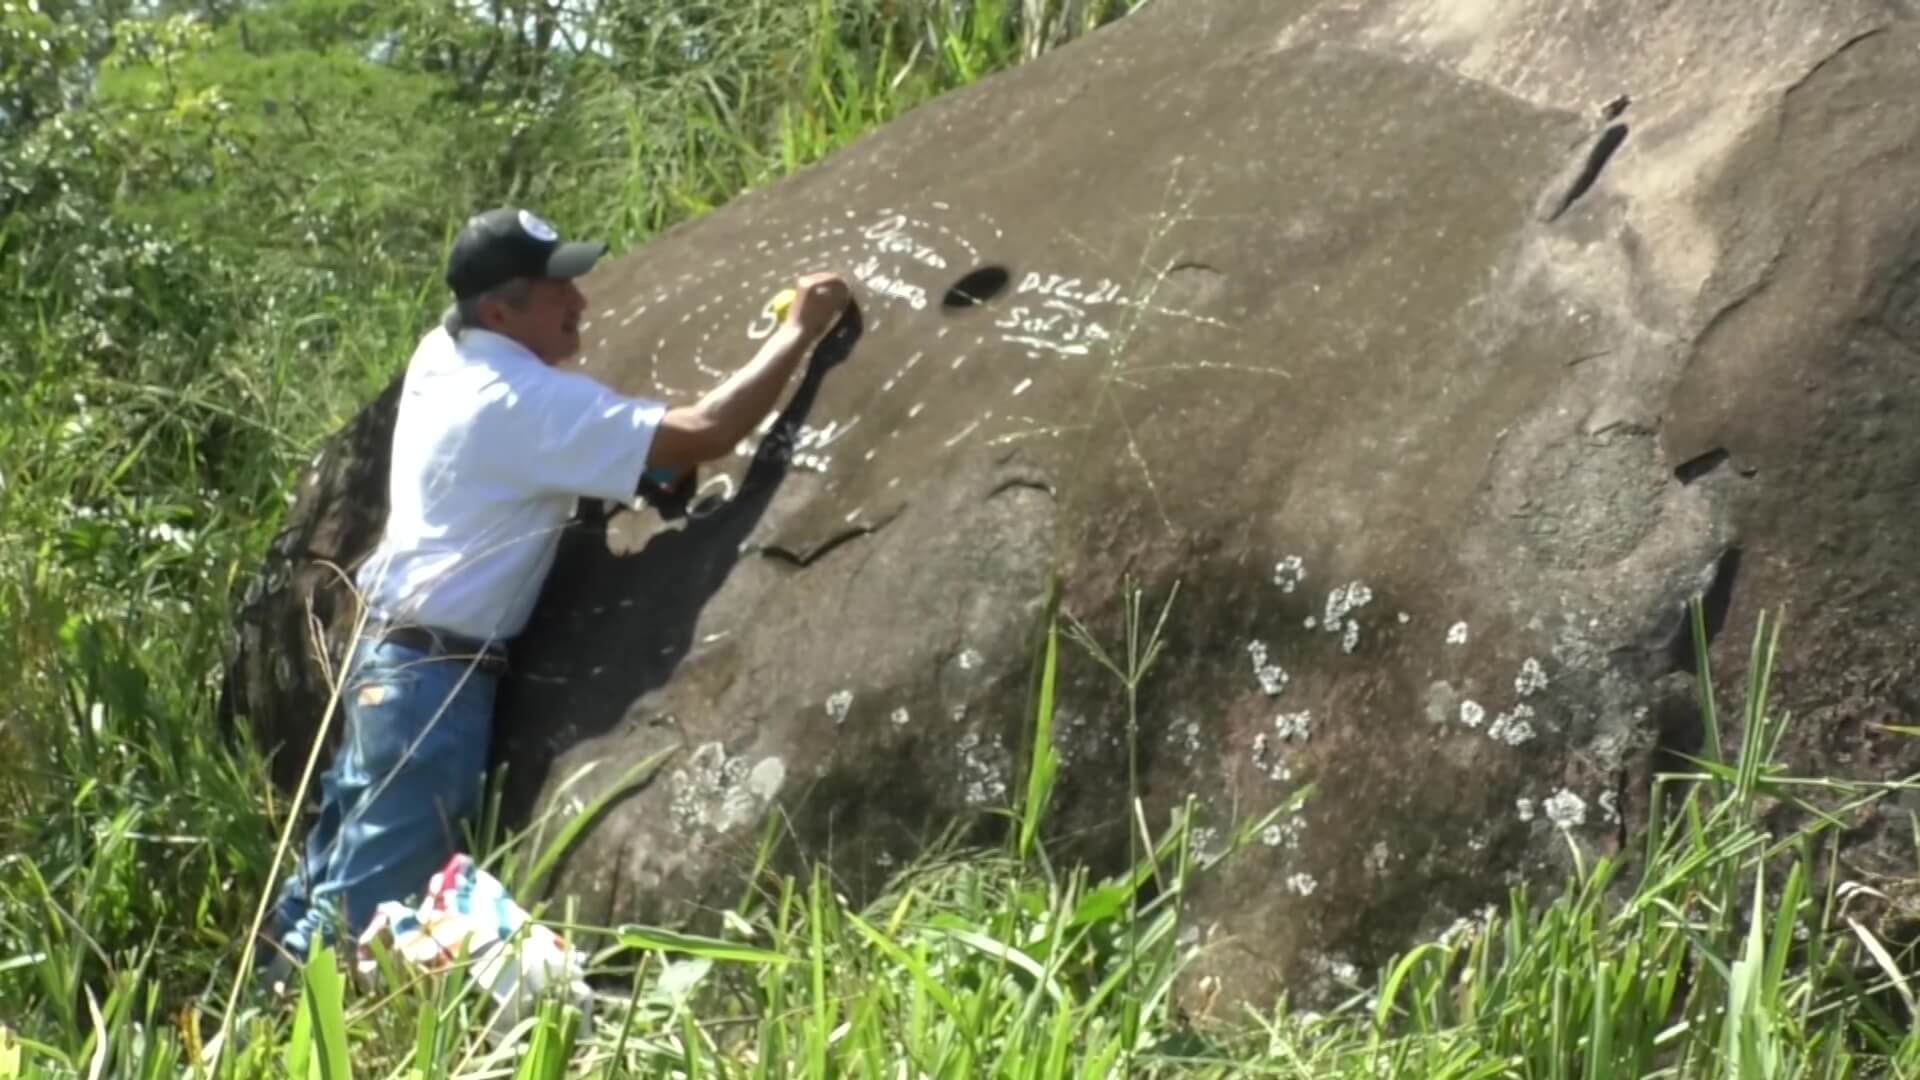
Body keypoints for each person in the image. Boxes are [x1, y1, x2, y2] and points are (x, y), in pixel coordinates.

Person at [260, 206, 852, 985]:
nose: (581, 303)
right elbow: (708, 431)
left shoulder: (442, 354)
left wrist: (616, 471)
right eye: (554, 291)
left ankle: (240, 1028)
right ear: (501, 311)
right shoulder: (516, 401)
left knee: (320, 898)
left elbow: (512, 469)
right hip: (432, 691)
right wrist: (800, 330)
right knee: (366, 925)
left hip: (387, 668)